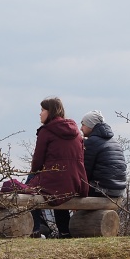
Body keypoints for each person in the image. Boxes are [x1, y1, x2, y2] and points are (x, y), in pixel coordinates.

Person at [27, 96, 88, 238]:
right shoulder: (77, 133)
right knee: (60, 188)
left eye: (42, 110)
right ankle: (64, 231)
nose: (40, 113)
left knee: (27, 189)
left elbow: (37, 162)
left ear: (50, 111)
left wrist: (34, 173)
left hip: (56, 181)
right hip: (76, 182)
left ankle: (36, 230)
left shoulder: (46, 131)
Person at [81, 110, 127, 198]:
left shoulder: (91, 142)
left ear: (91, 125)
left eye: (83, 124)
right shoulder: (115, 142)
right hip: (119, 190)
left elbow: (85, 172)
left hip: (102, 189)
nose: (81, 128)